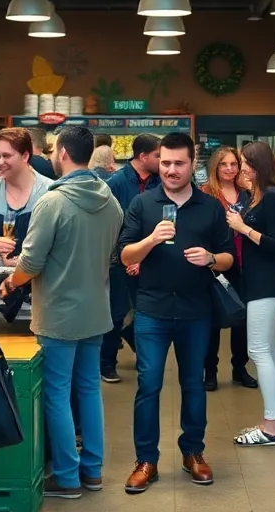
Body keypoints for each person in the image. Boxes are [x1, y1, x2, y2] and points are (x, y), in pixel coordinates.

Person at [0, 126, 122, 499]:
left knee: (55, 392)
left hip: (58, 313)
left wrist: (11, 282)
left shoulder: (52, 202)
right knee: (89, 390)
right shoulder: (111, 202)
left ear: (63, 153)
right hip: (97, 310)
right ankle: (93, 471)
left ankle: (67, 477)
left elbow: (31, 262)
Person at [118, 132, 234, 493]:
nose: (170, 170)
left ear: (192, 163)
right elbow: (125, 256)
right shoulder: (143, 204)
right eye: (165, 163)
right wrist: (151, 239)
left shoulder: (210, 207)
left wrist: (211, 258)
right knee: (148, 385)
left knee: (193, 384)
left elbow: (229, 257)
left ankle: (193, 453)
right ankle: (146, 461)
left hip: (195, 310)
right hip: (151, 310)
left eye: (178, 163)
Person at [227, 142, 275, 447]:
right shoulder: (259, 197)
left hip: (267, 284)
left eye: (245, 163)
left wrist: (242, 228)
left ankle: (270, 426)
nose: (241, 168)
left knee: (258, 351)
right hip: (260, 283)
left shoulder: (274, 199)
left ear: (258, 165)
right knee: (271, 349)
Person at [100, 134, 161, 384]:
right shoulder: (115, 183)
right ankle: (107, 363)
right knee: (116, 313)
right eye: (159, 156)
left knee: (147, 311)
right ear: (143, 156)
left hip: (153, 259)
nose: (164, 161)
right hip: (118, 259)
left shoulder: (161, 183)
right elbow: (107, 226)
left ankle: (144, 356)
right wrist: (127, 257)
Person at [199, 147, 256, 392]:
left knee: (242, 320)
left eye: (234, 164)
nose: (230, 169)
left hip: (245, 265)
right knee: (211, 321)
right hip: (215, 266)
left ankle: (239, 368)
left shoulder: (248, 194)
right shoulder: (205, 195)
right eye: (224, 164)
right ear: (216, 167)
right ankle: (209, 371)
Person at [0, 128, 52, 261]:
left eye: (6, 156)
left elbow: (58, 245)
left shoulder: (49, 191)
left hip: (38, 278)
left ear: (25, 156)